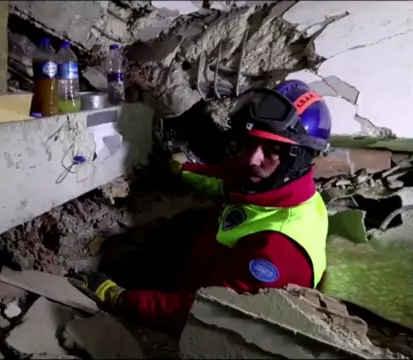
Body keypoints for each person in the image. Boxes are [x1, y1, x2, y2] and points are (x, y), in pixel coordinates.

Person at [69, 79, 333, 335]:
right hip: (212, 261)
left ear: (298, 160)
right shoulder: (282, 187)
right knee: (174, 227)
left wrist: (120, 299)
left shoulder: (276, 251)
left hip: (202, 300)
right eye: (250, 143)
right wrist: (182, 169)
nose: (253, 159)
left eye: (272, 150)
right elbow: (228, 179)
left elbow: (205, 312)